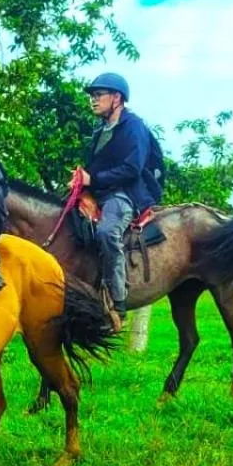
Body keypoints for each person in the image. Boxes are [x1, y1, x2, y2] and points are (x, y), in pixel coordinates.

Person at [75, 71, 163, 327]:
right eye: (92, 95)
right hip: (101, 191)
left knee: (106, 232)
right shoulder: (101, 129)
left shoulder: (133, 126)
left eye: (99, 94)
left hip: (126, 193)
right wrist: (82, 179)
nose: (93, 99)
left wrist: (93, 179)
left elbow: (132, 169)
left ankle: (118, 300)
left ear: (117, 98)